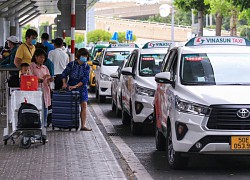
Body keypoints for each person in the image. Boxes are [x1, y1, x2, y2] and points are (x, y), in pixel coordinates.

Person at [61, 48, 92, 131]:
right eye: (83, 56)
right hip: (71, 87)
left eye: (86, 56)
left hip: (82, 88)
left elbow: (85, 79)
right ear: (78, 56)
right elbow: (64, 74)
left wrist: (76, 86)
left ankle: (83, 125)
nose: (84, 58)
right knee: (71, 106)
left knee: (84, 105)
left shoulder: (87, 66)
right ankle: (69, 123)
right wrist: (64, 83)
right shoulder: (72, 65)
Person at [29, 48, 53, 130]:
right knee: (37, 109)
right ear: (36, 57)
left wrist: (50, 79)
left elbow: (48, 78)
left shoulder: (45, 67)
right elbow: (30, 78)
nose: (42, 59)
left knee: (45, 108)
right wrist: (41, 79)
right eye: (41, 57)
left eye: (44, 58)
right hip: (36, 91)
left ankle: (44, 126)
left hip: (45, 91)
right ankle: (36, 126)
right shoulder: (31, 66)